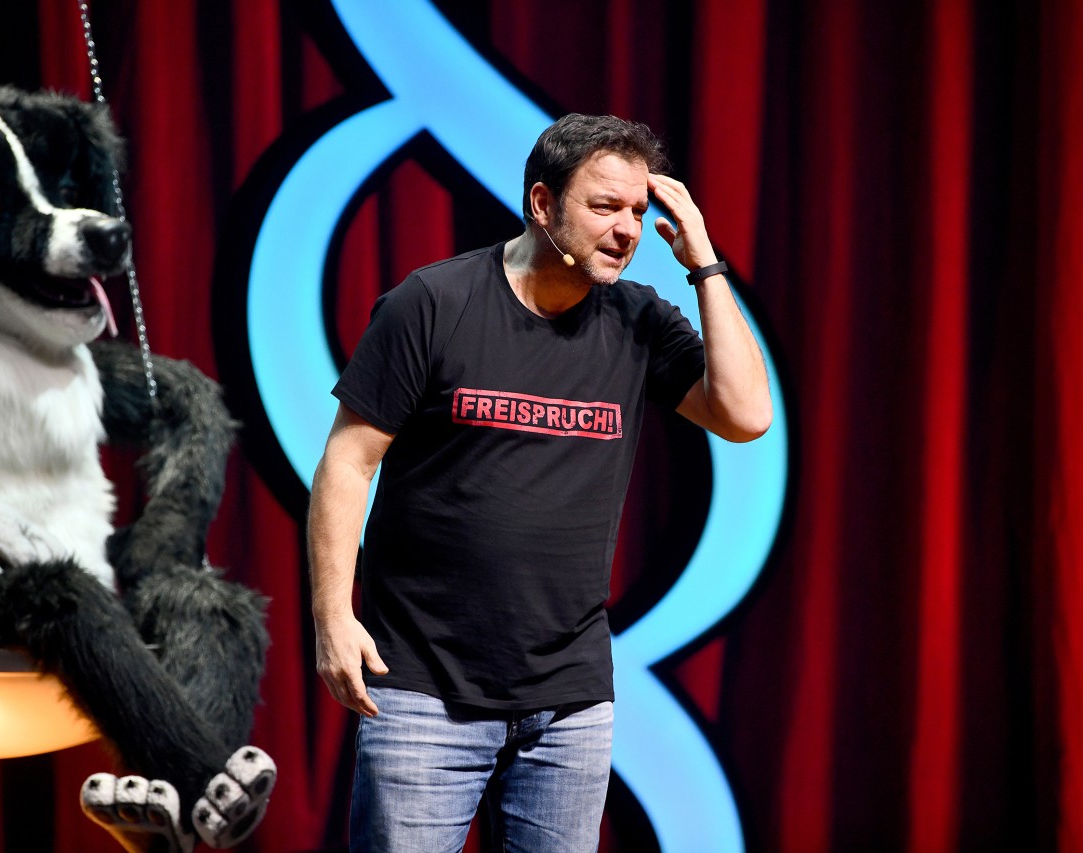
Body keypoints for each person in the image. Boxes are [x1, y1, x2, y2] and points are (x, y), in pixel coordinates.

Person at [308, 113, 772, 852]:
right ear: (542, 203)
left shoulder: (638, 322)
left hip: (569, 698)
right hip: (425, 684)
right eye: (604, 207)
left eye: (638, 212)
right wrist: (334, 616)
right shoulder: (432, 303)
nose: (627, 230)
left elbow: (746, 415)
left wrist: (705, 262)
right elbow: (348, 461)